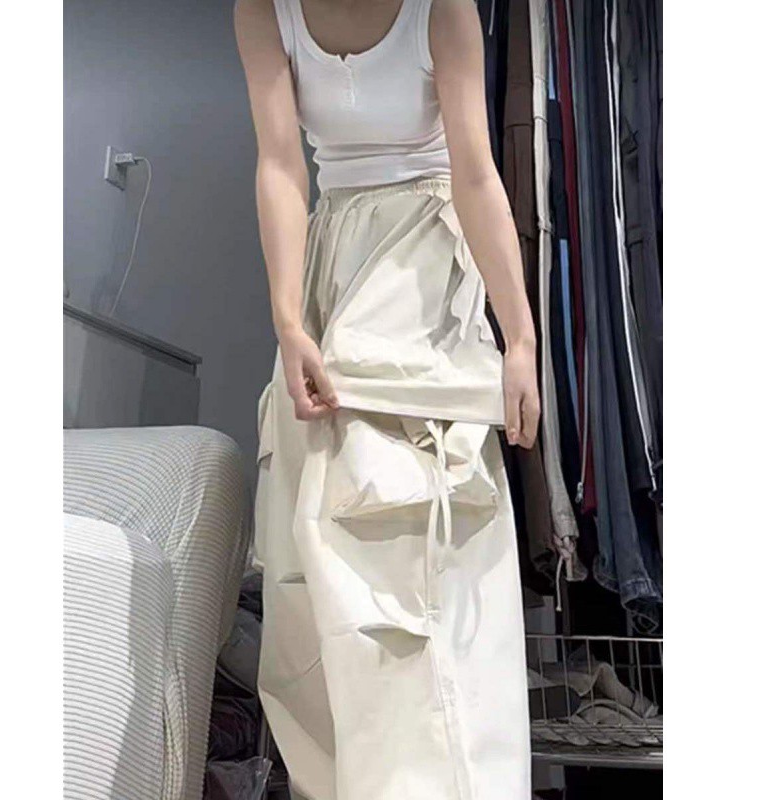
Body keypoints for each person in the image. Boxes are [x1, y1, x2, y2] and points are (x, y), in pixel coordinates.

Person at [235, 1, 538, 798]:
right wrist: (288, 320)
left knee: (427, 532)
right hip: (332, 261)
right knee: (319, 537)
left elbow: (475, 171)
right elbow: (281, 164)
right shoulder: (263, 11)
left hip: (425, 261)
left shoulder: (441, 9)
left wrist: (520, 339)